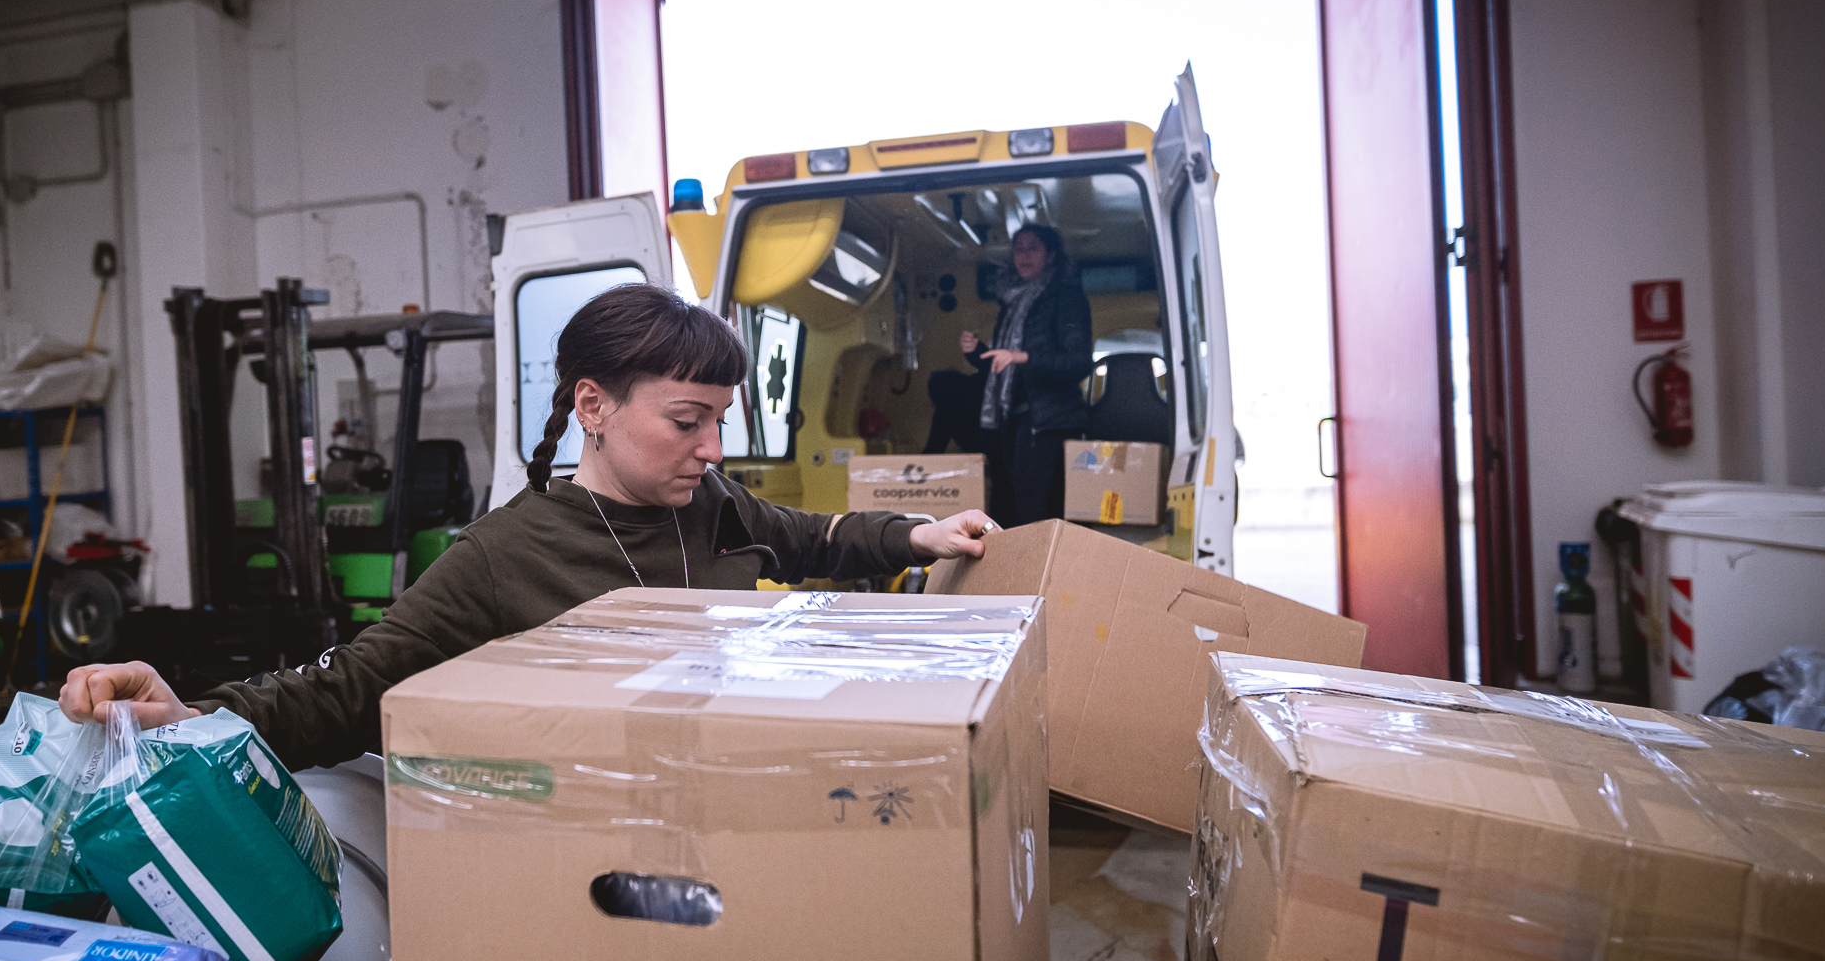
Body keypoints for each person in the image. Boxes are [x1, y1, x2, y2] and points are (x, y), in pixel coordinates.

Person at [58, 283, 995, 768]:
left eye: (720, 421)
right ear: (593, 405)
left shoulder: (713, 505)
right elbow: (349, 690)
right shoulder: (503, 556)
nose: (712, 449)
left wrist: (922, 536)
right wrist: (190, 715)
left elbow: (817, 538)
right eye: (686, 421)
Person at [960, 224, 1092, 528]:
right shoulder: (1012, 302)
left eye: (1033, 248)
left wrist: (1023, 357)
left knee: (1033, 510)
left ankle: (1040, 561)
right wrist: (976, 352)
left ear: (1051, 255)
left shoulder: (1065, 296)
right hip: (1016, 420)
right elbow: (1003, 367)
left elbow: (1078, 362)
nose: (1024, 255)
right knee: (1012, 508)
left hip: (1050, 422)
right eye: (1018, 249)